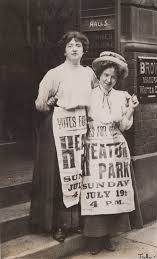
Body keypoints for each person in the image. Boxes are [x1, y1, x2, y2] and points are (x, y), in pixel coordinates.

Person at [30, 31, 96, 242]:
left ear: (84, 49)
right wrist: (49, 103)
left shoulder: (89, 74)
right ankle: (58, 225)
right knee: (59, 175)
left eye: (78, 45)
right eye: (70, 45)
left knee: (78, 174)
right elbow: (40, 103)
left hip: (81, 128)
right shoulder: (54, 73)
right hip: (59, 128)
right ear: (64, 50)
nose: (75, 48)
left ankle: (74, 222)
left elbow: (95, 97)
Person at [81, 51, 139, 255]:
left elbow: (124, 126)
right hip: (94, 150)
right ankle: (93, 239)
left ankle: (107, 236)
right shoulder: (88, 95)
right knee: (95, 192)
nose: (109, 80)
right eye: (106, 75)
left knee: (112, 193)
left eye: (114, 77)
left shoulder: (120, 97)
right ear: (99, 74)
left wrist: (130, 109)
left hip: (115, 151)